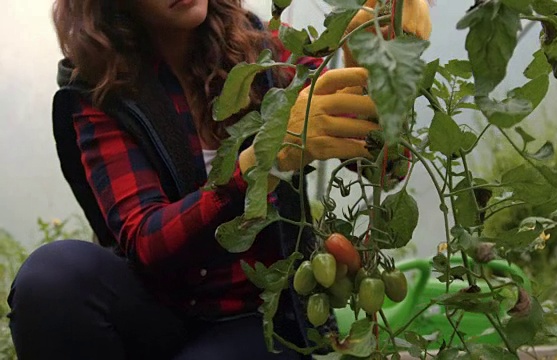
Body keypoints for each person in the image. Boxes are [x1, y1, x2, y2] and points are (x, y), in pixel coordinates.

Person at [6, 0, 432, 359]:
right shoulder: (100, 93)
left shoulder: (267, 55)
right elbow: (147, 241)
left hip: (262, 315)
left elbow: (384, 169)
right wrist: (266, 158)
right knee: (53, 280)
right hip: (161, 309)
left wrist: (379, 74)